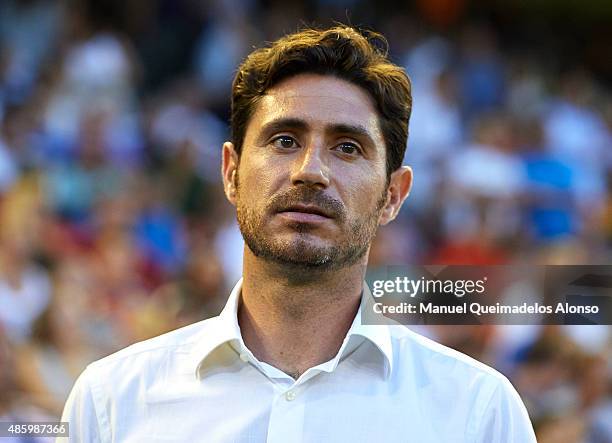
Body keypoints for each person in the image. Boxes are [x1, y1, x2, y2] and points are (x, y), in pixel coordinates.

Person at [60, 25, 537, 442]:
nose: (311, 172)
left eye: (348, 148)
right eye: (284, 140)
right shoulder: (111, 403)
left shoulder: (480, 414)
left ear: (394, 194)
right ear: (231, 172)